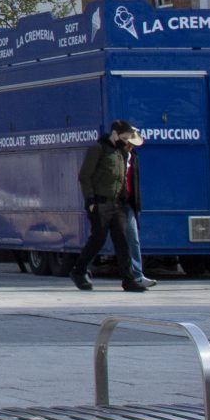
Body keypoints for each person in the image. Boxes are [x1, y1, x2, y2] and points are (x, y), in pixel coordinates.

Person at [72, 120, 155, 293]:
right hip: (100, 203)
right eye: (124, 138)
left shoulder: (121, 152)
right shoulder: (98, 149)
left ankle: (129, 280)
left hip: (118, 203)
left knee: (123, 241)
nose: (126, 142)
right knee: (98, 239)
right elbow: (84, 177)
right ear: (115, 134)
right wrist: (91, 201)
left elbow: (123, 177)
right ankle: (79, 271)